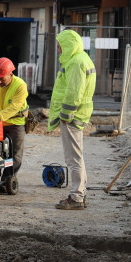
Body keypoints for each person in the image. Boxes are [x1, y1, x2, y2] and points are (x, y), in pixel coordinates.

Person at [49, 29, 96, 210]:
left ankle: (76, 197)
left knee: (73, 158)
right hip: (80, 114)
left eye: (60, 45)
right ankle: (80, 194)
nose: (59, 49)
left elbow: (73, 93)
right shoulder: (81, 59)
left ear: (68, 44)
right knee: (77, 156)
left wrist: (66, 115)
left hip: (72, 117)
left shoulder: (76, 63)